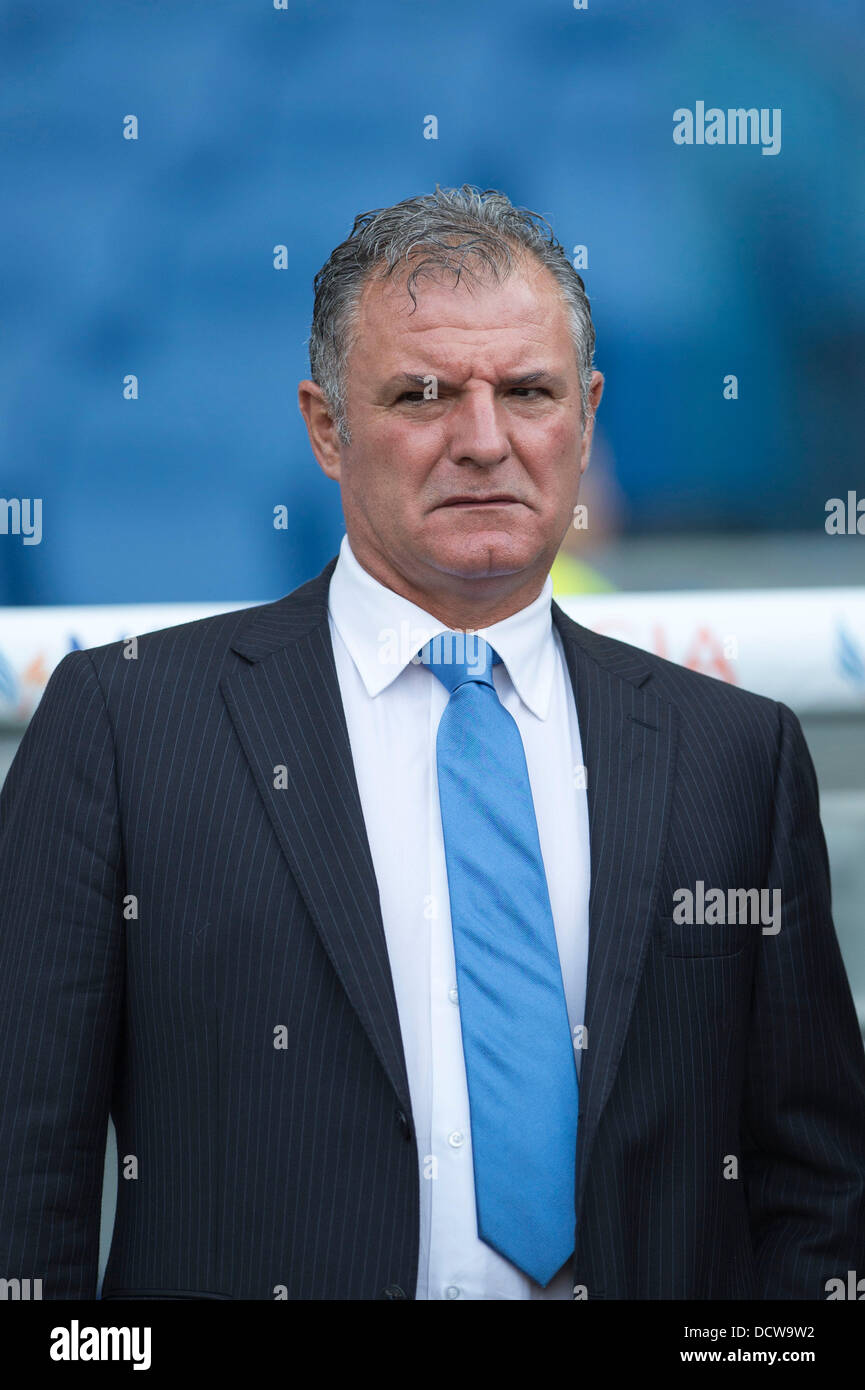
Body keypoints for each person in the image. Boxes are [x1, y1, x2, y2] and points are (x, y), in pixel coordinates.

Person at [1, 185, 863, 1301]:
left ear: (588, 416)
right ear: (325, 426)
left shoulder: (735, 755)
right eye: (423, 395)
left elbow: (819, 1190)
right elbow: (24, 1180)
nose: (484, 440)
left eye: (528, 391)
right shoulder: (122, 726)